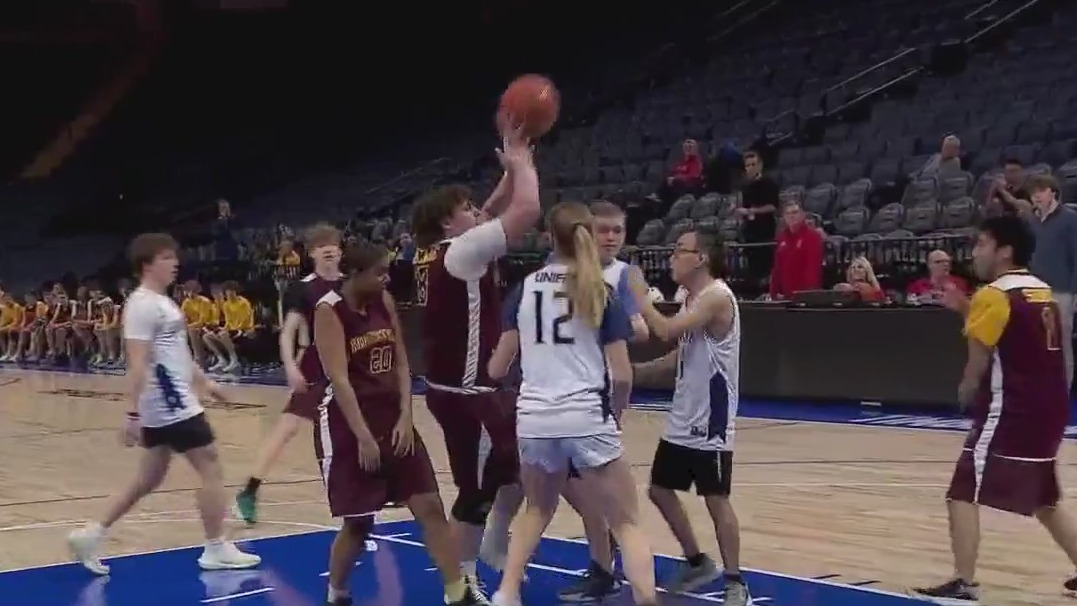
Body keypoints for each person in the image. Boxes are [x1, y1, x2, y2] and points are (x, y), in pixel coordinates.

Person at [486, 201, 658, 606]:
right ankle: (647, 600)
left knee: (536, 510)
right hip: (585, 415)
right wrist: (615, 413)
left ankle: (507, 592)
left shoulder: (525, 288)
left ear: (549, 238)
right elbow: (621, 375)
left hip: (535, 418)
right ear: (587, 234)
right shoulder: (600, 288)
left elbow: (496, 368)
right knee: (627, 522)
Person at [67, 232, 261, 575]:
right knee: (211, 466)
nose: (175, 264)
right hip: (169, 402)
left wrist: (207, 383)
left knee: (149, 478)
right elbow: (138, 362)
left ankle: (92, 534)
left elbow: (177, 355)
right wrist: (131, 413)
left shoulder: (163, 303)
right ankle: (216, 547)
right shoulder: (142, 305)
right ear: (147, 265)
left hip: (169, 400)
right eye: (167, 259)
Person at [912, 216, 1077, 604]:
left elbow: (980, 359)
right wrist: (965, 308)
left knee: (962, 491)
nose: (975, 252)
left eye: (982, 244)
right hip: (1050, 409)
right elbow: (1008, 327)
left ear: (1004, 250)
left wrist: (966, 389)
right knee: (1043, 498)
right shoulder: (1040, 290)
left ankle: (964, 582)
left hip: (1012, 408)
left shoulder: (994, 293)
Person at [313, 242, 484, 606]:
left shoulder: (384, 302)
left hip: (393, 417)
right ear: (355, 274)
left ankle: (458, 594)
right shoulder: (329, 311)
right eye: (379, 272)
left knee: (430, 507)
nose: (386, 278)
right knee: (359, 524)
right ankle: (337, 595)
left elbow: (402, 364)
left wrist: (407, 416)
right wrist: (363, 437)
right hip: (348, 423)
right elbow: (339, 380)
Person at [409, 119, 539, 590]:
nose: (476, 213)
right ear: (448, 222)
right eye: (465, 208)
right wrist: (523, 166)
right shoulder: (463, 253)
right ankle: (462, 582)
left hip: (461, 388)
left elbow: (492, 209)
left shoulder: (442, 251)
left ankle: (493, 543)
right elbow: (527, 210)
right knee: (476, 491)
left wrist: (510, 162)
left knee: (526, 464)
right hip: (467, 395)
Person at [629, 228, 751, 606]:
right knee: (659, 490)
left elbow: (663, 331)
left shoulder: (715, 296)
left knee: (716, 498)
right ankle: (698, 561)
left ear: (700, 258)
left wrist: (638, 293)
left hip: (710, 418)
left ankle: (735, 582)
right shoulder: (690, 298)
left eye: (680, 250)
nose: (672, 256)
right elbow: (678, 358)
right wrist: (631, 373)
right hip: (684, 414)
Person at [556, 200, 649, 602]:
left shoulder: (625, 276)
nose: (611, 238)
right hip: (562, 394)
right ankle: (605, 558)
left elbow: (643, 330)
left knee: (597, 492)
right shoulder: (563, 270)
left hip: (599, 396)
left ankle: (604, 568)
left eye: (618, 231)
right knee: (566, 484)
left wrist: (614, 324)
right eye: (603, 230)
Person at [235, 223, 343, 524]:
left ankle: (374, 486)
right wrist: (290, 366)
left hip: (346, 367)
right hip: (313, 366)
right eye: (322, 244)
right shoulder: (304, 288)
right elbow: (289, 333)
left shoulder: (351, 285)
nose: (329, 248)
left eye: (333, 243)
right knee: (287, 430)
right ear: (312, 253)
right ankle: (249, 490)